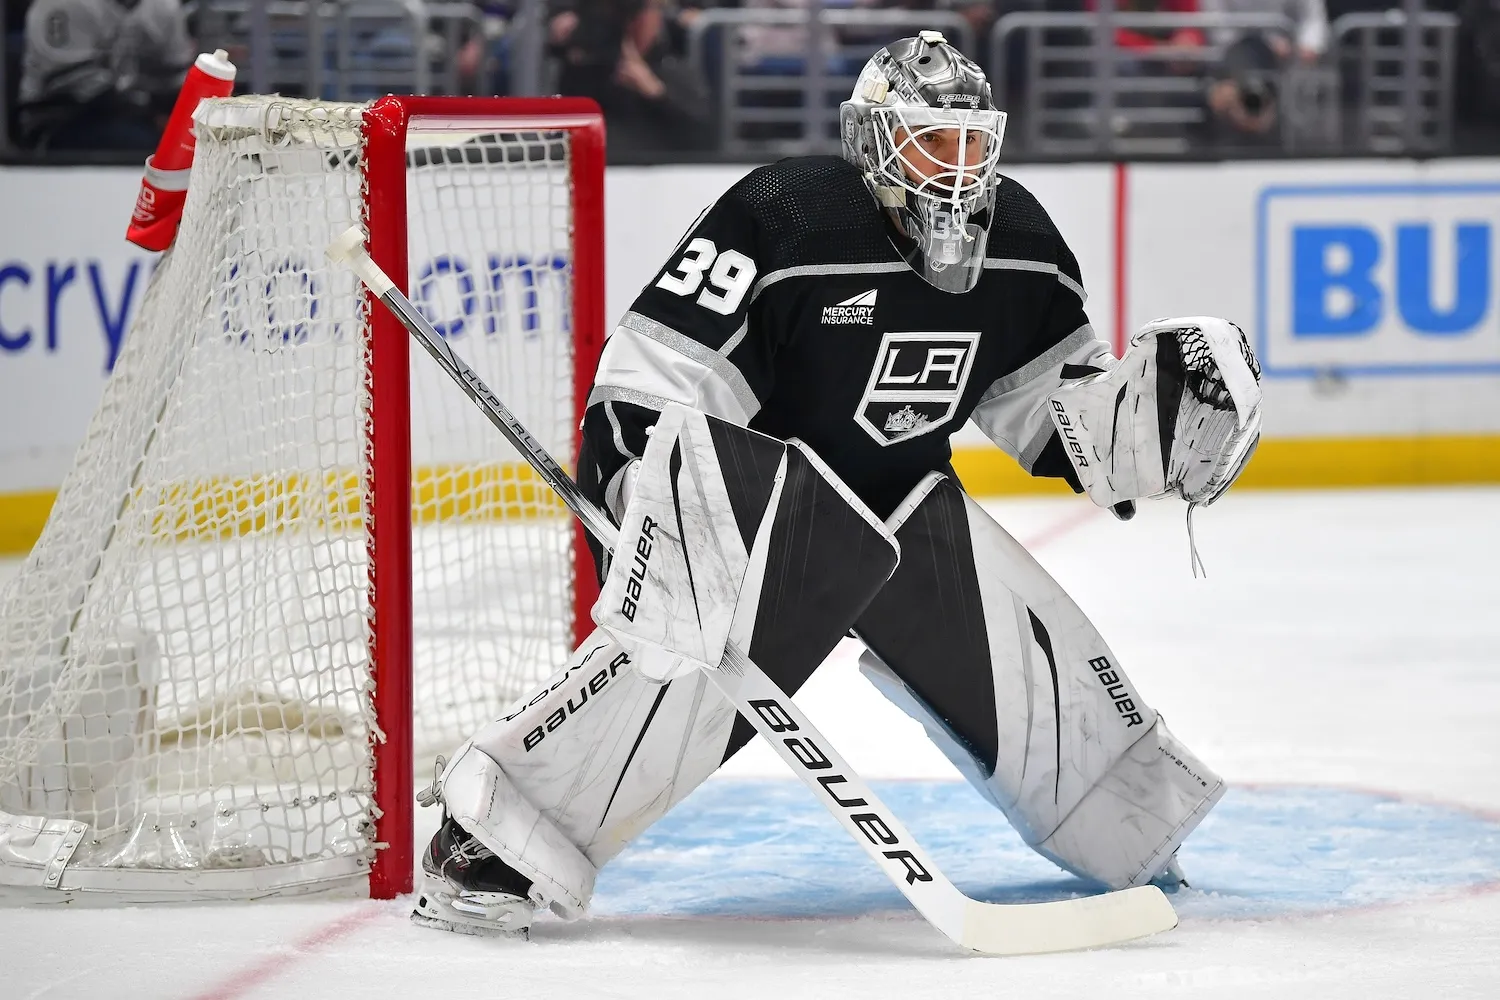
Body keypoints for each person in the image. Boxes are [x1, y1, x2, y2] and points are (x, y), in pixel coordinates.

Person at [410, 31, 1262, 939]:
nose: (959, 166)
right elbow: (644, 388)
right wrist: (647, 507)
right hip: (749, 518)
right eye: (933, 140)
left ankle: (1122, 823)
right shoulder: (784, 215)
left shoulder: (1024, 248)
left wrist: (1143, 423)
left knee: (1028, 646)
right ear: (872, 141)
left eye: (974, 143)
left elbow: (1051, 417)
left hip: (897, 507)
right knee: (697, 654)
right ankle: (496, 836)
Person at [16, 0, 194, 152]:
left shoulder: (163, 7)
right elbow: (74, 86)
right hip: (60, 119)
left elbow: (177, 77)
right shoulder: (61, 5)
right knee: (147, 145)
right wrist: (152, 115)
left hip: (134, 112)